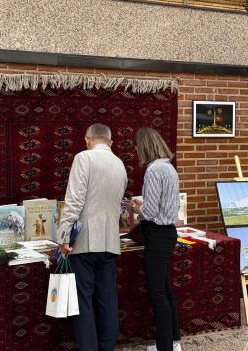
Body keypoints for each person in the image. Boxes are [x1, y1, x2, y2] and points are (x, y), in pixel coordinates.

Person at [57, 123, 128, 351]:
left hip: (84, 241)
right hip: (110, 241)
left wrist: (63, 237)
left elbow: (74, 200)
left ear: (87, 140)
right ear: (111, 142)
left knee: (83, 302)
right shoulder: (119, 164)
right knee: (107, 300)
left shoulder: (83, 158)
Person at [130, 127, 181, 351]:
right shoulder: (169, 168)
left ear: (144, 147)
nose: (136, 153)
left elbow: (150, 212)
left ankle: (164, 347)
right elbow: (163, 204)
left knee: (157, 293)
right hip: (168, 232)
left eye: (136, 148)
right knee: (166, 289)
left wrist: (135, 208)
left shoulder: (153, 170)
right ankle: (173, 342)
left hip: (157, 235)